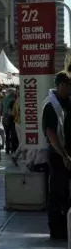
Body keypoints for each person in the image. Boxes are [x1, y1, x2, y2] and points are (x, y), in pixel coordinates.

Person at [43, 71, 71, 240]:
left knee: (67, 193)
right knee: (57, 193)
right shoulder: (51, 105)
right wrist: (64, 155)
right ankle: (57, 230)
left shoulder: (68, 102)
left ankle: (67, 226)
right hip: (58, 156)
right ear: (61, 85)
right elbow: (50, 133)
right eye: (69, 85)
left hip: (67, 154)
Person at [1, 89, 17, 154]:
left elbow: (0, 110)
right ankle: (13, 149)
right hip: (12, 118)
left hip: (5, 118)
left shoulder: (3, 99)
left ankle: (7, 149)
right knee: (13, 134)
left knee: (7, 134)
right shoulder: (14, 100)